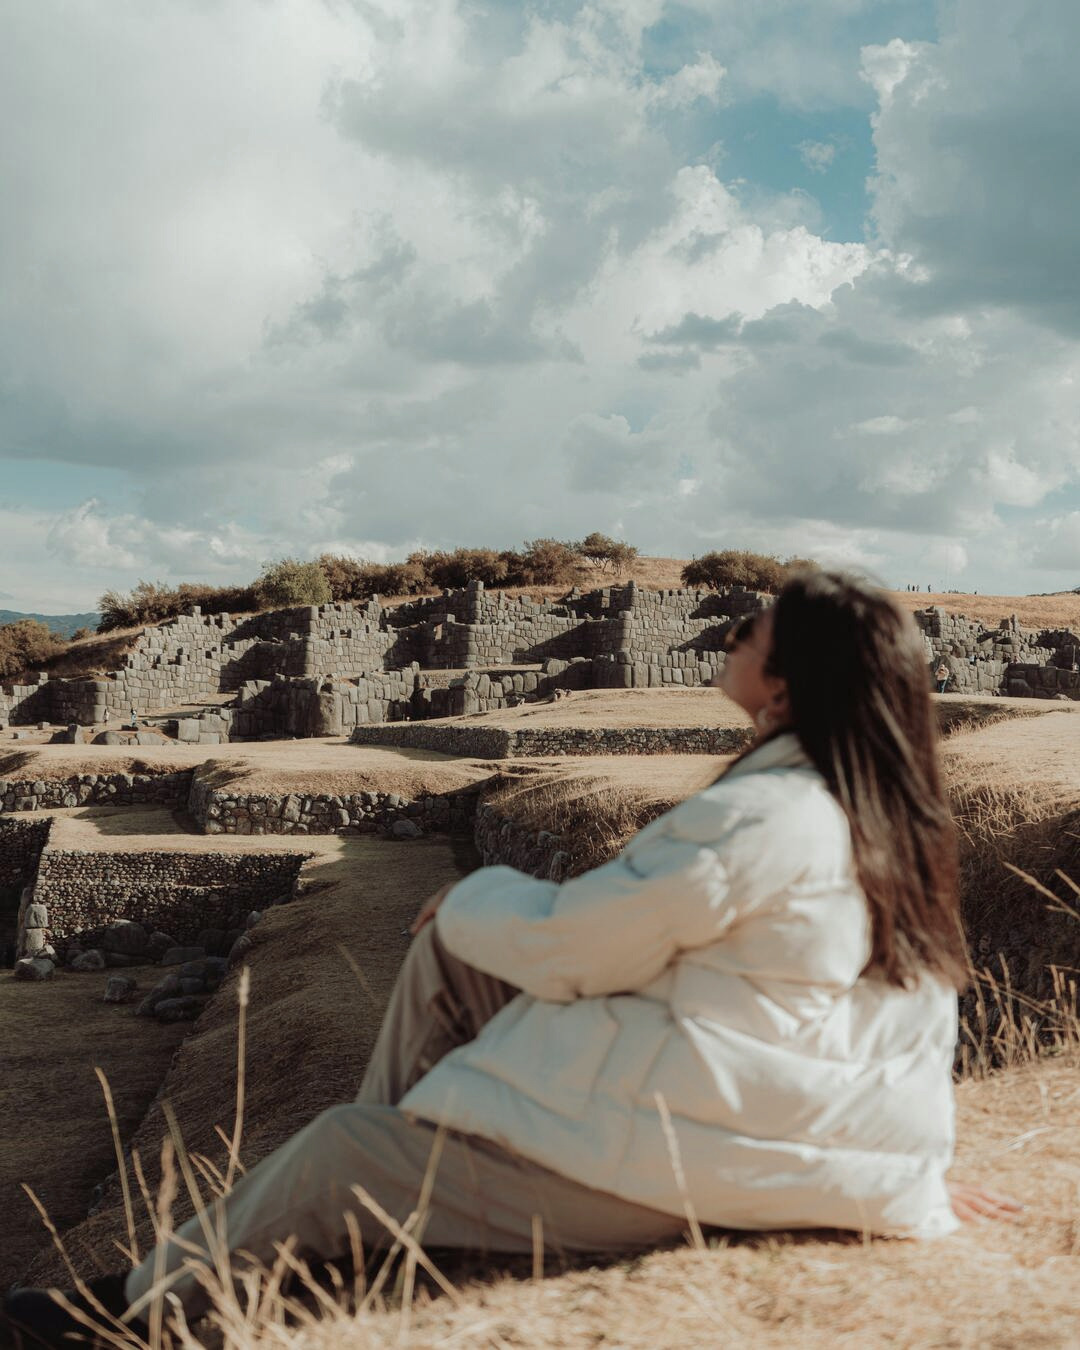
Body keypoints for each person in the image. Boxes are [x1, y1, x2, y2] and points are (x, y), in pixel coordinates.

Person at [3, 571, 1019, 1347]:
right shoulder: (893, 817)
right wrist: (906, 1172)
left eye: (751, 630)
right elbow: (904, 1034)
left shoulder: (770, 814)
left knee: (340, 1150)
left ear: (789, 684)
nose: (729, 634)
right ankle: (398, 1184)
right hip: (769, 1119)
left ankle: (128, 1319)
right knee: (458, 958)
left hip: (719, 1155)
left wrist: (477, 896)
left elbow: (579, 946)